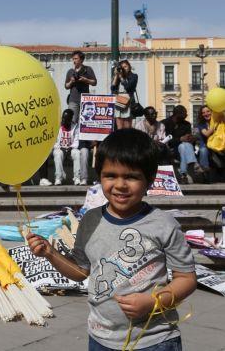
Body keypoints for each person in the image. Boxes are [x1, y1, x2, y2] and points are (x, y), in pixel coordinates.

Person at [27, 129, 196, 351]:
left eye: (131, 177)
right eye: (110, 175)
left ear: (150, 180)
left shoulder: (164, 224)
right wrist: (50, 253)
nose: (120, 185)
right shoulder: (90, 220)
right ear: (99, 176)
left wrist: (153, 302)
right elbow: (80, 272)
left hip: (154, 340)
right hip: (100, 338)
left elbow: (187, 278)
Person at [162, 105, 200, 184]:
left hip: (183, 147)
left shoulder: (186, 124)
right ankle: (194, 164)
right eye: (184, 115)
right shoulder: (164, 123)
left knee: (183, 146)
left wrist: (191, 139)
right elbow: (165, 140)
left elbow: (187, 139)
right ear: (176, 115)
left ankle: (183, 175)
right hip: (170, 148)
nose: (186, 116)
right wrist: (180, 139)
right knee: (183, 146)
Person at [65, 50, 97, 124]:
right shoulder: (70, 71)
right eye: (73, 59)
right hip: (73, 100)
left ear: (81, 59)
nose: (74, 61)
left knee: (84, 122)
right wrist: (71, 81)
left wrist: (85, 80)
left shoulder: (87, 69)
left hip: (85, 100)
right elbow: (66, 86)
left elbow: (94, 82)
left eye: (76, 59)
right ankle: (72, 135)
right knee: (72, 121)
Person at [53, 109, 83, 185]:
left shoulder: (75, 127)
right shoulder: (57, 126)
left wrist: (71, 148)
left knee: (77, 153)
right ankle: (58, 178)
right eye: (63, 118)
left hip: (71, 149)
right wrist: (60, 148)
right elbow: (54, 142)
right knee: (58, 154)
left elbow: (76, 141)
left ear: (70, 120)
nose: (63, 120)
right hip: (60, 149)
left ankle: (77, 178)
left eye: (66, 119)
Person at [111, 60, 138, 130]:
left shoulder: (134, 76)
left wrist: (121, 77)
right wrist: (116, 76)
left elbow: (128, 87)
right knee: (119, 127)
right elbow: (112, 88)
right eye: (122, 67)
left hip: (128, 102)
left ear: (129, 67)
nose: (124, 68)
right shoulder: (119, 77)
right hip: (118, 101)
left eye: (125, 66)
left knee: (127, 127)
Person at [196, 105, 213, 174]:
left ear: (212, 112)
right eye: (203, 112)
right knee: (203, 150)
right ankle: (205, 171)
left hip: (218, 144)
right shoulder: (201, 124)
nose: (206, 114)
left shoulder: (220, 121)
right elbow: (206, 134)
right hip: (205, 145)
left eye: (208, 111)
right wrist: (214, 125)